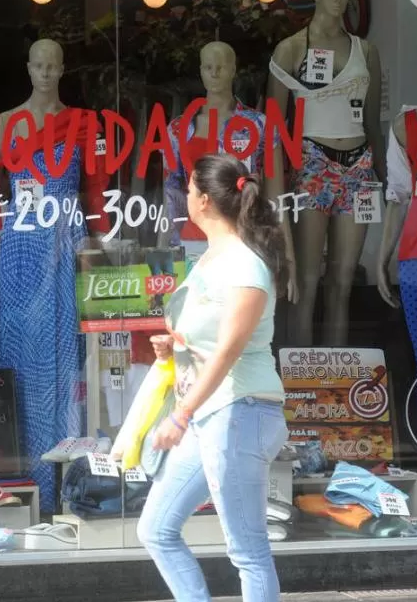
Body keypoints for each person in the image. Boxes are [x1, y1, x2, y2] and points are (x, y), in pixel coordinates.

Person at [137, 153, 290, 602]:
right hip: (211, 416)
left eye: (187, 190)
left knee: (247, 550)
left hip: (239, 411)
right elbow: (207, 340)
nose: (184, 198)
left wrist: (180, 414)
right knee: (156, 529)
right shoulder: (208, 258)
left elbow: (229, 349)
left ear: (203, 199)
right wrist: (176, 347)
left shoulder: (244, 264)